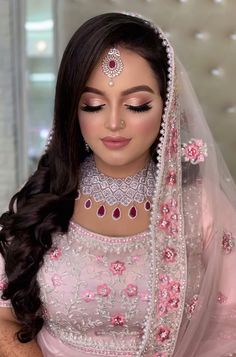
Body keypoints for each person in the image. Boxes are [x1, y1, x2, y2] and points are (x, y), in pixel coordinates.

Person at [0, 12, 236, 357]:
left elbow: (228, 328)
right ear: (73, 109)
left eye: (137, 105)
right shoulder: (44, 199)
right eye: (93, 105)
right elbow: (5, 319)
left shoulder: (198, 205)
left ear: (167, 107)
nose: (113, 123)